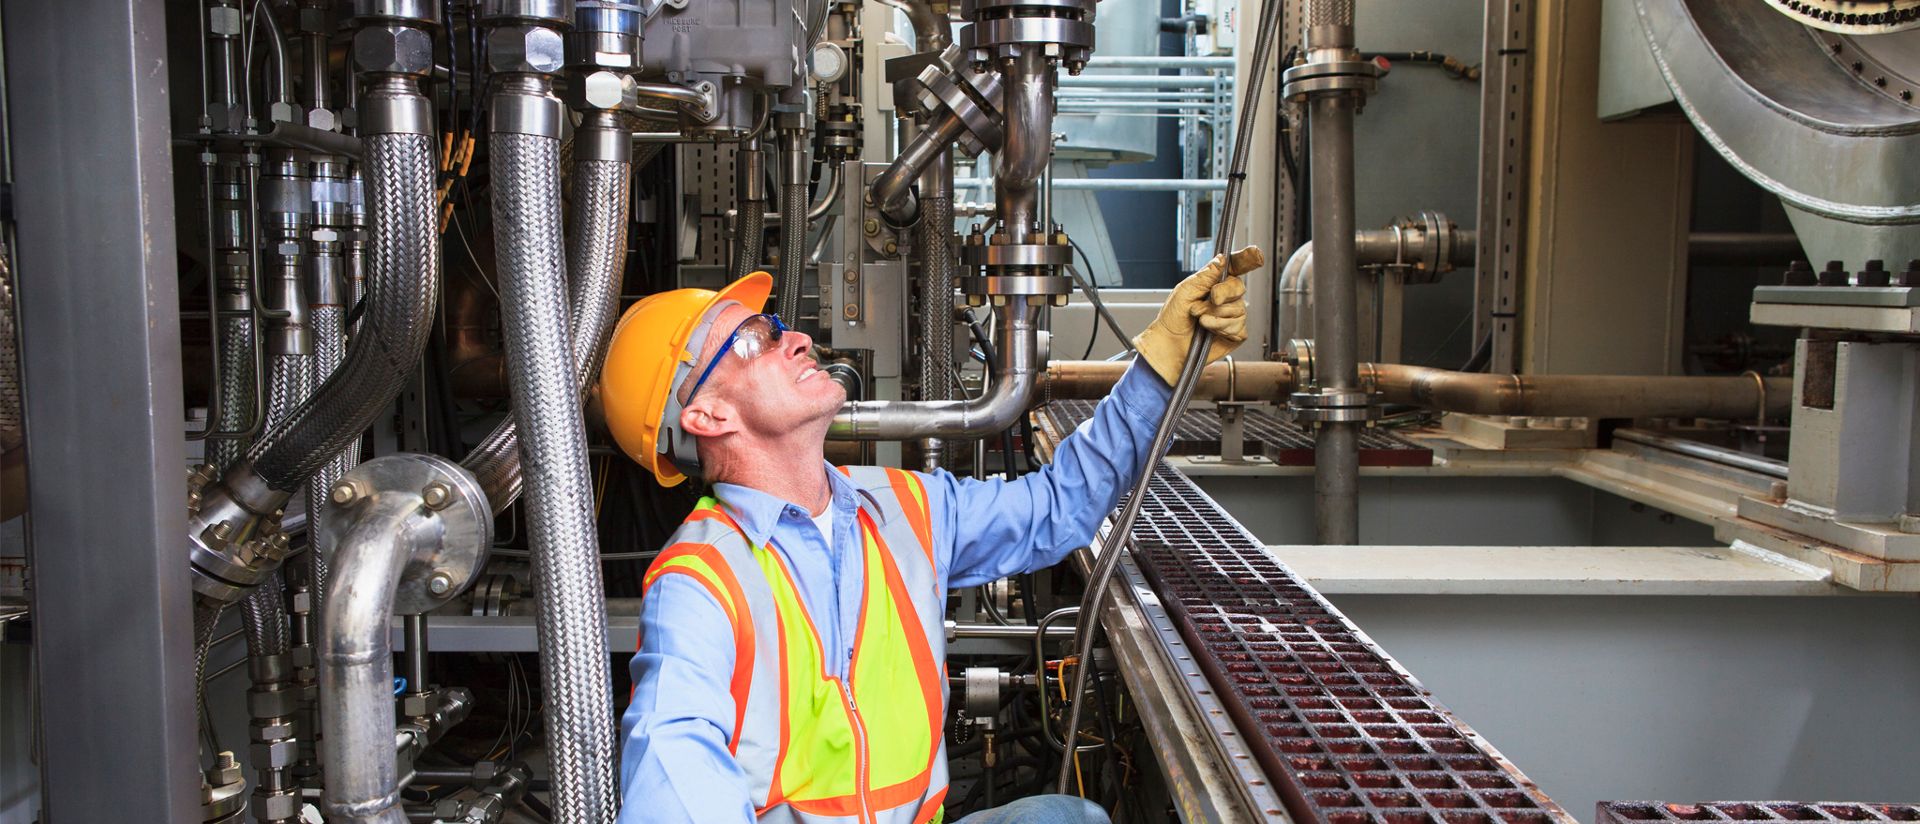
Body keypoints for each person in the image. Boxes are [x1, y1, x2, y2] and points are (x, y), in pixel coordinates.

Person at [599, 247, 1265, 824]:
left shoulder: (904, 507)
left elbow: (1059, 507)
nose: (795, 339)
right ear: (708, 415)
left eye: (776, 328)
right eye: (754, 342)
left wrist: (1162, 363)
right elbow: (673, 773)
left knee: (1071, 816)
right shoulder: (700, 581)